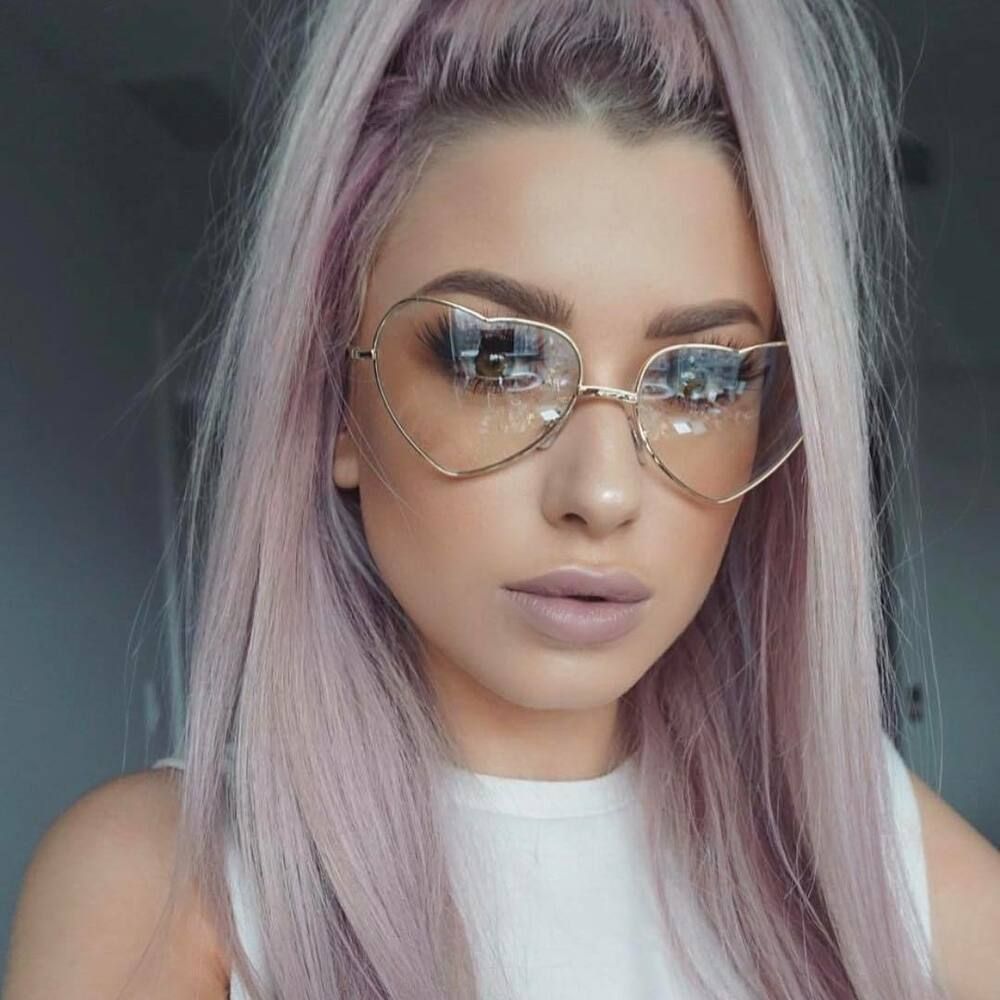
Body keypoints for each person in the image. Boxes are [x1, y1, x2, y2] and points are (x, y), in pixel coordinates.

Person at [5, 1, 999, 999]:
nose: (601, 492)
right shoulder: (164, 887)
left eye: (699, 377)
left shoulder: (851, 839)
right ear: (336, 403)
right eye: (498, 359)